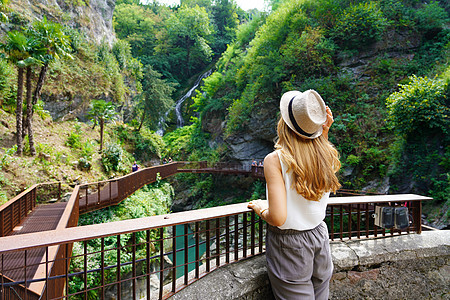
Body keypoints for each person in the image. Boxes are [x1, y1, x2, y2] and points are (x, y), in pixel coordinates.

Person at [248, 89, 341, 300]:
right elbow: (314, 153)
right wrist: (323, 132)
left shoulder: (275, 160)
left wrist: (261, 208)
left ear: (284, 123)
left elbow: (278, 217)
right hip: (319, 236)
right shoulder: (326, 154)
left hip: (290, 246)